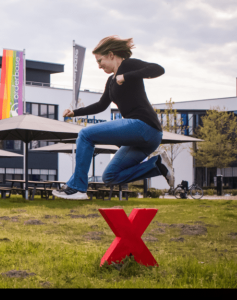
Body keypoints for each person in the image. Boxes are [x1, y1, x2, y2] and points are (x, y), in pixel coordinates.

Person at [53, 36, 173, 200]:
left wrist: (126, 76)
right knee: (110, 176)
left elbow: (158, 69)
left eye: (99, 60)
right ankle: (158, 165)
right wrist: (75, 112)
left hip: (145, 126)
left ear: (110, 54)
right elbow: (101, 105)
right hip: (143, 139)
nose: (99, 66)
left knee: (85, 135)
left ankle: (77, 188)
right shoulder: (110, 82)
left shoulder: (128, 65)